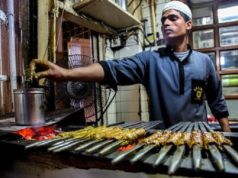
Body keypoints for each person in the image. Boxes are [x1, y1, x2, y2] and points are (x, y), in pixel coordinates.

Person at [30, 1, 231, 132]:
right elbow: (111, 68)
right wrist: (66, 74)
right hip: (161, 141)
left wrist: (227, 135)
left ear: (188, 25)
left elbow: (217, 102)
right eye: (163, 20)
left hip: (198, 138)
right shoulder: (151, 60)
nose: (166, 23)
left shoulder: (203, 62)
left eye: (173, 18)